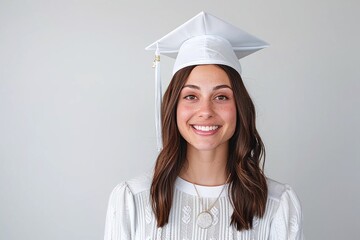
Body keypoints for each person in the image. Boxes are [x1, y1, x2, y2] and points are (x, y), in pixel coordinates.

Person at [104, 12, 303, 240]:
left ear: (240, 107)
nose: (206, 111)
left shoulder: (277, 205)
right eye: (191, 96)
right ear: (173, 107)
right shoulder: (132, 200)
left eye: (221, 97)